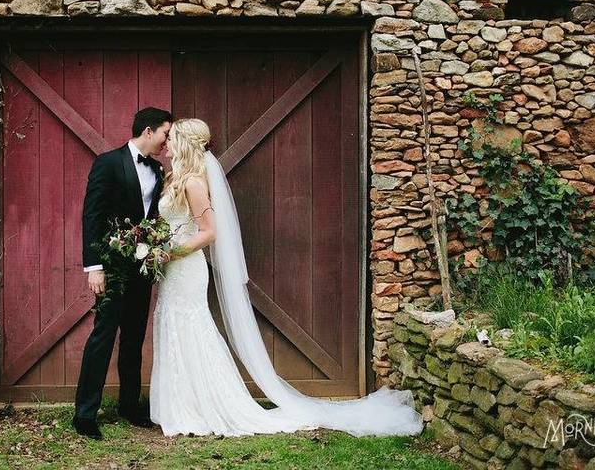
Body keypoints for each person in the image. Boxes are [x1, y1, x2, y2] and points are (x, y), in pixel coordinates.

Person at [149, 118, 424, 437]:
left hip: (186, 267)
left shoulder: (194, 183)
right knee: (171, 324)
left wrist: (172, 252)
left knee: (190, 327)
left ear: (184, 144)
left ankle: (206, 405)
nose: (166, 143)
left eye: (172, 139)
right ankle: (181, 403)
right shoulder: (173, 178)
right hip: (171, 268)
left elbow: (210, 232)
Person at [72, 107, 172, 440]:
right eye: (164, 133)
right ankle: (85, 414)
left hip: (141, 268)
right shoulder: (108, 163)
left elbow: (153, 216)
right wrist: (94, 267)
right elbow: (92, 216)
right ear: (148, 131)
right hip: (111, 268)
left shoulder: (157, 169)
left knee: (133, 338)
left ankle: (129, 406)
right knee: (103, 336)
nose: (166, 140)